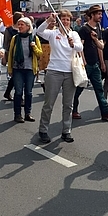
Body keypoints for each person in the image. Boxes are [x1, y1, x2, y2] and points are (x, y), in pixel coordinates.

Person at [37, 9, 83, 143]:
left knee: (68, 104)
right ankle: (43, 130)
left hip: (70, 72)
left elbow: (80, 47)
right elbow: (39, 32)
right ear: (59, 21)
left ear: (70, 21)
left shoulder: (73, 34)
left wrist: (73, 44)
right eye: (63, 19)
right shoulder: (53, 33)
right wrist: (48, 20)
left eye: (68, 19)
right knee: (49, 103)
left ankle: (66, 131)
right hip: (54, 71)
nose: (65, 21)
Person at [72, 5, 108, 120]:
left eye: (101, 14)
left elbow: (101, 47)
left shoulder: (98, 28)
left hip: (95, 64)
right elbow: (80, 47)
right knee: (79, 89)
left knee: (99, 90)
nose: (100, 16)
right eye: (98, 14)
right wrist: (84, 62)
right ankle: (73, 110)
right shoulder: (83, 29)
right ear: (92, 15)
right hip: (86, 65)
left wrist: (102, 62)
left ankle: (105, 112)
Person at [7, 17, 42, 123]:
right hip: (17, 69)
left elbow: (40, 54)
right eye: (19, 24)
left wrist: (34, 47)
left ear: (28, 26)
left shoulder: (34, 38)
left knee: (29, 92)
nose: (20, 26)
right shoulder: (15, 38)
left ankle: (28, 113)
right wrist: (9, 68)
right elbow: (11, 54)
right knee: (18, 92)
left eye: (22, 24)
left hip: (30, 69)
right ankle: (17, 115)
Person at [3, 11, 23, 101]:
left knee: (17, 76)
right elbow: (6, 44)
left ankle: (8, 92)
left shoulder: (23, 29)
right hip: (12, 55)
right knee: (16, 76)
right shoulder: (9, 30)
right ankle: (18, 96)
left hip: (22, 55)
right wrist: (5, 56)